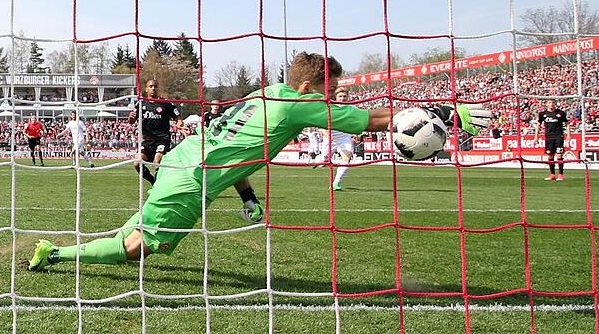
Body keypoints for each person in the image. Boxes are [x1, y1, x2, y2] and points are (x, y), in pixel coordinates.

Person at [25, 52, 490, 271]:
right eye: (331, 88)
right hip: (193, 176)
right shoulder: (299, 104)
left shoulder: (264, 94)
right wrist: (446, 111)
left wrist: (247, 195)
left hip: (188, 160)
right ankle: (56, 254)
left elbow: (238, 150)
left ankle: (69, 248)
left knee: (142, 230)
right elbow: (371, 119)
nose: (334, 96)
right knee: (145, 247)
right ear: (312, 87)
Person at [128, 79, 185, 185]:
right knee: (137, 163)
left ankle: (161, 184)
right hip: (147, 141)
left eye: (155, 86)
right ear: (146, 89)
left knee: (157, 160)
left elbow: (177, 117)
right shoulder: (141, 103)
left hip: (162, 140)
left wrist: (180, 124)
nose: (153, 88)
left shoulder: (166, 103)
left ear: (157, 88)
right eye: (150, 86)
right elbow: (131, 121)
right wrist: (130, 118)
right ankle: (153, 181)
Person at [315, 87, 355, 191]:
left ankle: (336, 183)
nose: (342, 98)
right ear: (336, 97)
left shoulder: (352, 108)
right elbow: (321, 124)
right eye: (340, 96)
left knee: (347, 158)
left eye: (345, 96)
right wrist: (326, 134)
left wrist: (356, 132)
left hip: (344, 137)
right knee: (324, 159)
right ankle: (321, 159)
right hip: (330, 136)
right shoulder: (330, 107)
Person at [534, 99, 570, 181]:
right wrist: (536, 136)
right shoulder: (542, 114)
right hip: (548, 137)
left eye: (553, 102)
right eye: (549, 102)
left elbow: (567, 123)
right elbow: (538, 125)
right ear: (546, 104)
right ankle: (552, 174)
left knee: (559, 155)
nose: (551, 104)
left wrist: (568, 134)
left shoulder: (560, 113)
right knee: (550, 155)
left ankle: (560, 174)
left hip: (558, 136)